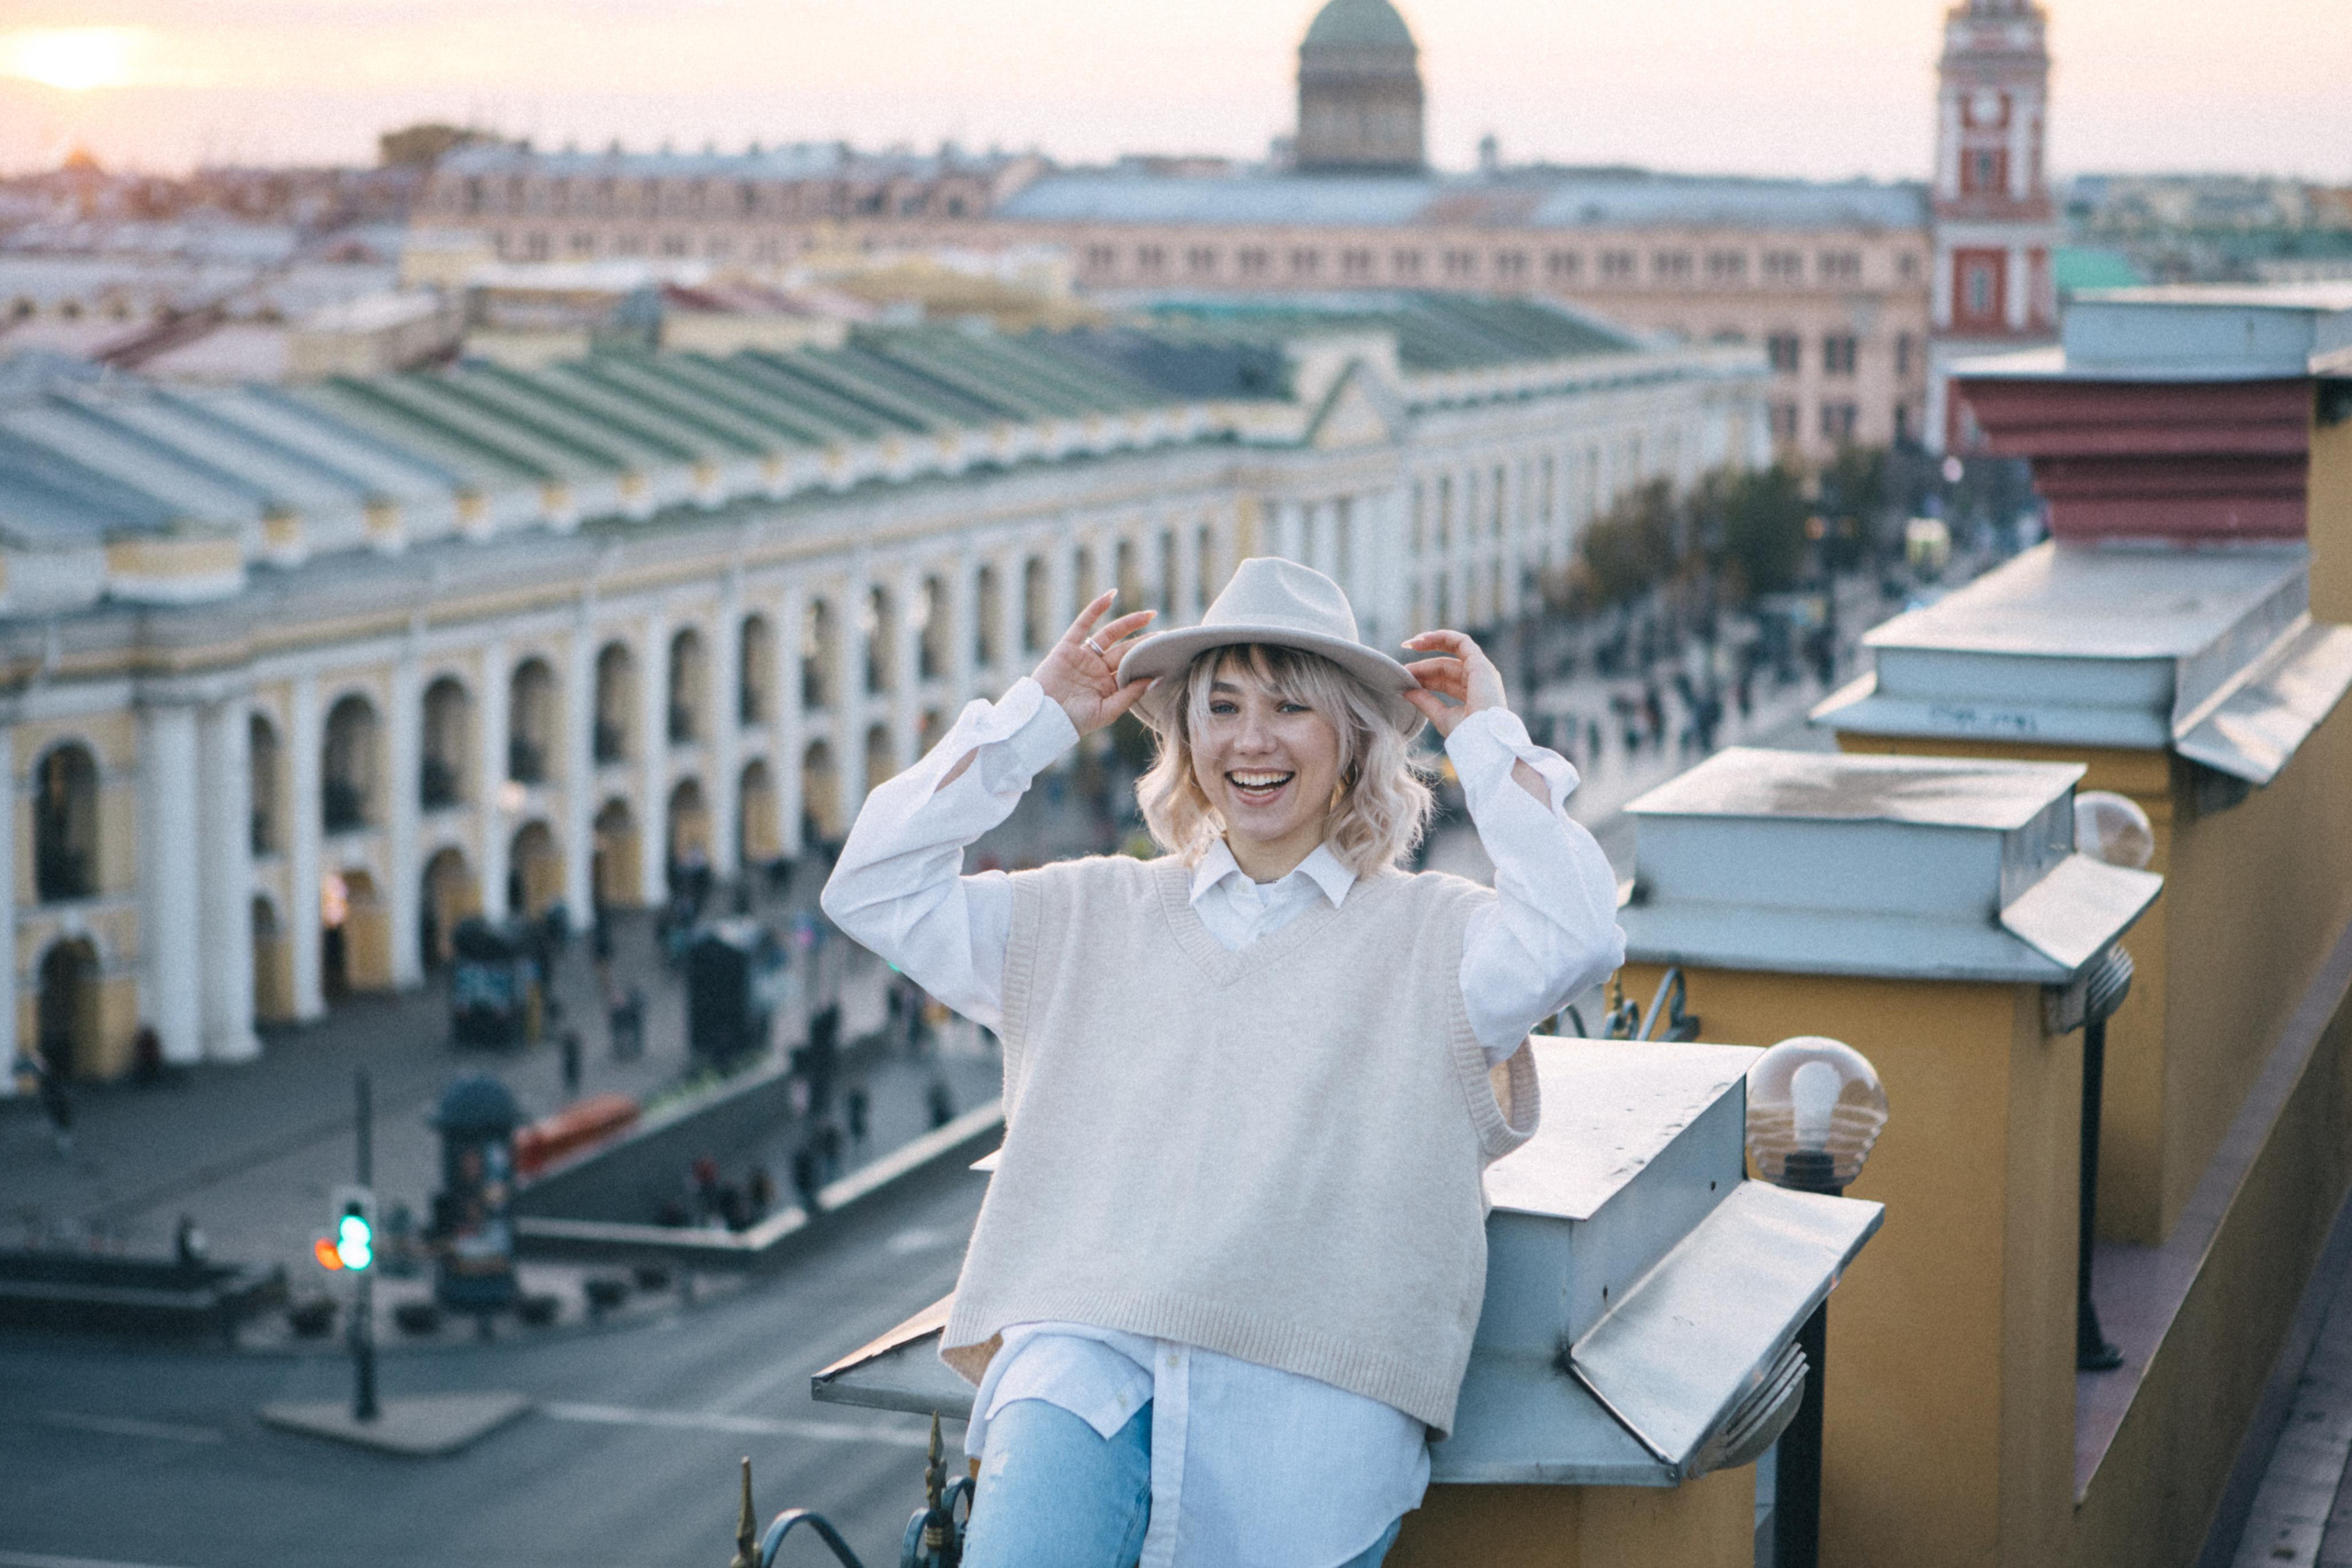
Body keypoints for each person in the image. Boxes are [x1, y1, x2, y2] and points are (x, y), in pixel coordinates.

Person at [822, 558, 1623, 1568]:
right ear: (1187, 737)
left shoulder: (1439, 939)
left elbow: (1579, 934)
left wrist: (1487, 739)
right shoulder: (1084, 913)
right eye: (1223, 705)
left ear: (1352, 739)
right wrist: (1034, 724)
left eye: (1291, 706)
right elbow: (872, 890)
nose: (1251, 739)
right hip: (1084, 1374)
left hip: (1308, 1418)